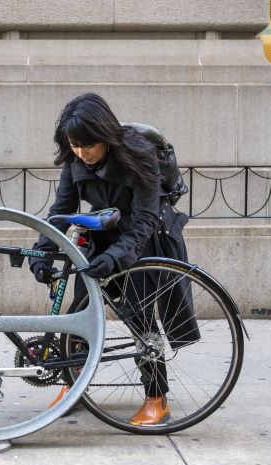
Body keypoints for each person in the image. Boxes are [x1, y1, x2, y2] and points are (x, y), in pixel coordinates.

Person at [29, 92, 177, 425]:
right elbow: (61, 211)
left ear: (106, 137)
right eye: (74, 145)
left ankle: (157, 399)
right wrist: (42, 251)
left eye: (88, 146)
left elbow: (145, 220)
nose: (82, 153)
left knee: (138, 317)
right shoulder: (74, 159)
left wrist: (116, 257)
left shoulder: (140, 155)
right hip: (103, 237)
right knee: (81, 314)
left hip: (143, 242)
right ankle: (75, 384)